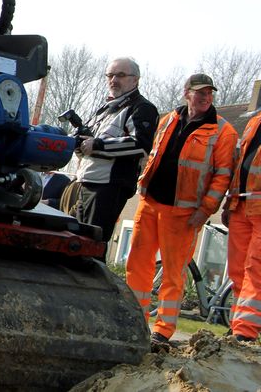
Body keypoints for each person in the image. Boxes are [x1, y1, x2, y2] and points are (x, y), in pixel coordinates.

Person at [126, 73, 237, 346]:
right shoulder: (169, 120)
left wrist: (206, 210)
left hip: (184, 214)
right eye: (200, 93)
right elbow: (154, 155)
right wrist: (143, 185)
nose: (205, 98)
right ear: (186, 92)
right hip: (150, 203)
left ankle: (162, 331)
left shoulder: (224, 132)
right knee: (137, 265)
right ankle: (133, 320)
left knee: (173, 274)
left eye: (209, 94)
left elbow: (222, 177)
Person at [72, 57, 158, 254]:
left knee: (92, 246)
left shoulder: (141, 108)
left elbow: (140, 146)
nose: (114, 80)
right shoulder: (104, 109)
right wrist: (80, 143)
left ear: (135, 80)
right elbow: (88, 143)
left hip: (109, 187)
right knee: (77, 242)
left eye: (120, 75)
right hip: (86, 182)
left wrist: (97, 144)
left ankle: (94, 284)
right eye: (110, 75)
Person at [223, 109, 261, 342]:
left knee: (256, 270)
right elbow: (240, 164)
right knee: (237, 271)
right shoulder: (253, 122)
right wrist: (229, 201)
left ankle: (245, 332)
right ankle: (237, 324)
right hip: (241, 203)